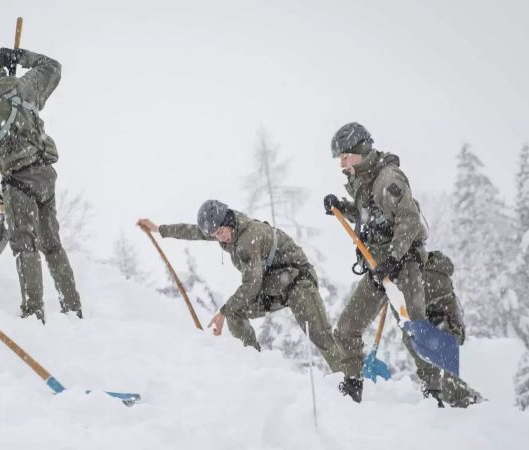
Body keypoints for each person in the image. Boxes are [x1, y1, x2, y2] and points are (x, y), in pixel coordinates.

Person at [324, 122, 478, 407]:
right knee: (347, 326)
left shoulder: (387, 179)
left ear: (361, 150)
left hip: (403, 266)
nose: (342, 164)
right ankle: (352, 385)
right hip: (377, 267)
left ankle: (435, 394)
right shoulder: (363, 179)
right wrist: (341, 207)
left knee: (415, 332)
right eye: (340, 159)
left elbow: (408, 220)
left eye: (345, 156)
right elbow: (368, 214)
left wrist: (394, 259)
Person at [137, 200, 345, 373]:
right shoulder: (226, 230)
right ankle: (254, 366)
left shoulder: (248, 238)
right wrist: (158, 229)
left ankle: (350, 382)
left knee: (321, 336)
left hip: (298, 283)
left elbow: (251, 286)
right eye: (215, 235)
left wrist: (222, 312)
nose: (219, 237)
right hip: (272, 287)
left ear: (228, 220)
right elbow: (193, 231)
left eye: (220, 232)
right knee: (235, 314)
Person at [0, 37, 81, 323]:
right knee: (52, 244)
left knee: (25, 247)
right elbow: (53, 66)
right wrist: (21, 57)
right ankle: (73, 308)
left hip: (19, 182)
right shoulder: (26, 86)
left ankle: (33, 313)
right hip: (45, 177)